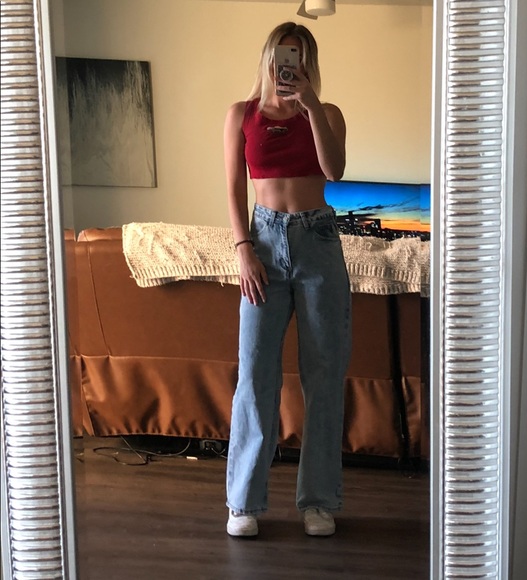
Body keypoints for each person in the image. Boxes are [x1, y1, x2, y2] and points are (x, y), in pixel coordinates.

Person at [224, 21, 352, 538]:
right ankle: (243, 503)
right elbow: (233, 188)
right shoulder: (241, 114)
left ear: (308, 64)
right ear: (269, 57)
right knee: (255, 373)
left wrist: (312, 106)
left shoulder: (328, 112)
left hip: (318, 241)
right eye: (282, 56)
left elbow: (335, 170)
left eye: (298, 58)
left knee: (324, 375)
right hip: (263, 244)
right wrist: (243, 250)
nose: (287, 66)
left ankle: (318, 502)